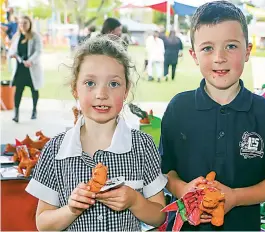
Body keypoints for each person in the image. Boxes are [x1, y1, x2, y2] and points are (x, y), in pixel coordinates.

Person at [159, 1, 265, 231]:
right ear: (194, 55)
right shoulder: (178, 108)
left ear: (248, 51)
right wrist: (182, 189)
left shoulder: (264, 112)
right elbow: (165, 172)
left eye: (231, 46)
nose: (219, 57)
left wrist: (234, 196)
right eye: (207, 48)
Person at [25, 34, 167, 231]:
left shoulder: (143, 145)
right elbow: (43, 224)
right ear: (75, 89)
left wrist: (135, 201)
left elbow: (160, 216)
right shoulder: (55, 150)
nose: (102, 94)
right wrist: (71, 209)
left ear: (126, 91)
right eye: (90, 83)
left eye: (114, 84)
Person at [8, 15, 43, 123]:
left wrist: (30, 61)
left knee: (34, 89)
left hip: (31, 67)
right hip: (20, 68)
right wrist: (12, 55)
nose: (22, 25)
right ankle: (16, 114)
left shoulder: (35, 36)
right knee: (18, 90)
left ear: (30, 24)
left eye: (25, 23)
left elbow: (38, 51)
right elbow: (12, 50)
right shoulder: (17, 36)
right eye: (21, 23)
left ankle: (34, 111)